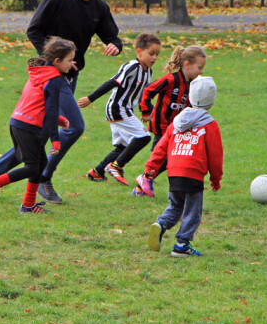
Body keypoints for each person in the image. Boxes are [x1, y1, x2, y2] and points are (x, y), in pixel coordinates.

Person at [0, 0, 123, 204]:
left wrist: (115, 45)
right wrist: (53, 60)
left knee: (38, 138)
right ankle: (44, 176)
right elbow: (34, 30)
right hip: (51, 77)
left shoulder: (99, 8)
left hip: (71, 77)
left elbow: (112, 36)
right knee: (75, 126)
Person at [0, 37, 76, 214]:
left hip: (18, 122)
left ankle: (28, 205)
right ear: (57, 61)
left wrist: (60, 120)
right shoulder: (54, 79)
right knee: (32, 167)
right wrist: (55, 140)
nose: (72, 64)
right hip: (27, 127)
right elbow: (51, 110)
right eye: (69, 60)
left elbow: (38, 102)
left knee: (40, 163)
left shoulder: (40, 72)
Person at [145, 76, 223, 257]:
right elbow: (215, 155)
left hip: (174, 172)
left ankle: (161, 224)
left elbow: (161, 147)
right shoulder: (210, 125)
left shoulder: (176, 123)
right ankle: (182, 245)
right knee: (192, 211)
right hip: (193, 173)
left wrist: (151, 167)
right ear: (211, 102)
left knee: (175, 205)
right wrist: (215, 178)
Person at [77, 33, 161, 189]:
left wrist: (146, 110)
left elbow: (144, 94)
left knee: (123, 146)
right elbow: (111, 83)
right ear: (139, 52)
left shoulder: (148, 71)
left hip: (126, 110)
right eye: (151, 53)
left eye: (157, 54)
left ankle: (97, 171)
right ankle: (116, 166)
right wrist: (90, 98)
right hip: (117, 109)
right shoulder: (131, 67)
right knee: (143, 137)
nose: (154, 58)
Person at [138, 45, 207, 195]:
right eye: (199, 68)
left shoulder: (193, 85)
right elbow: (148, 91)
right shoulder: (170, 80)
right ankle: (145, 179)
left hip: (176, 129)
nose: (201, 72)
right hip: (162, 126)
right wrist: (146, 110)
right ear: (187, 65)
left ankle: (142, 185)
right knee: (162, 158)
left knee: (170, 158)